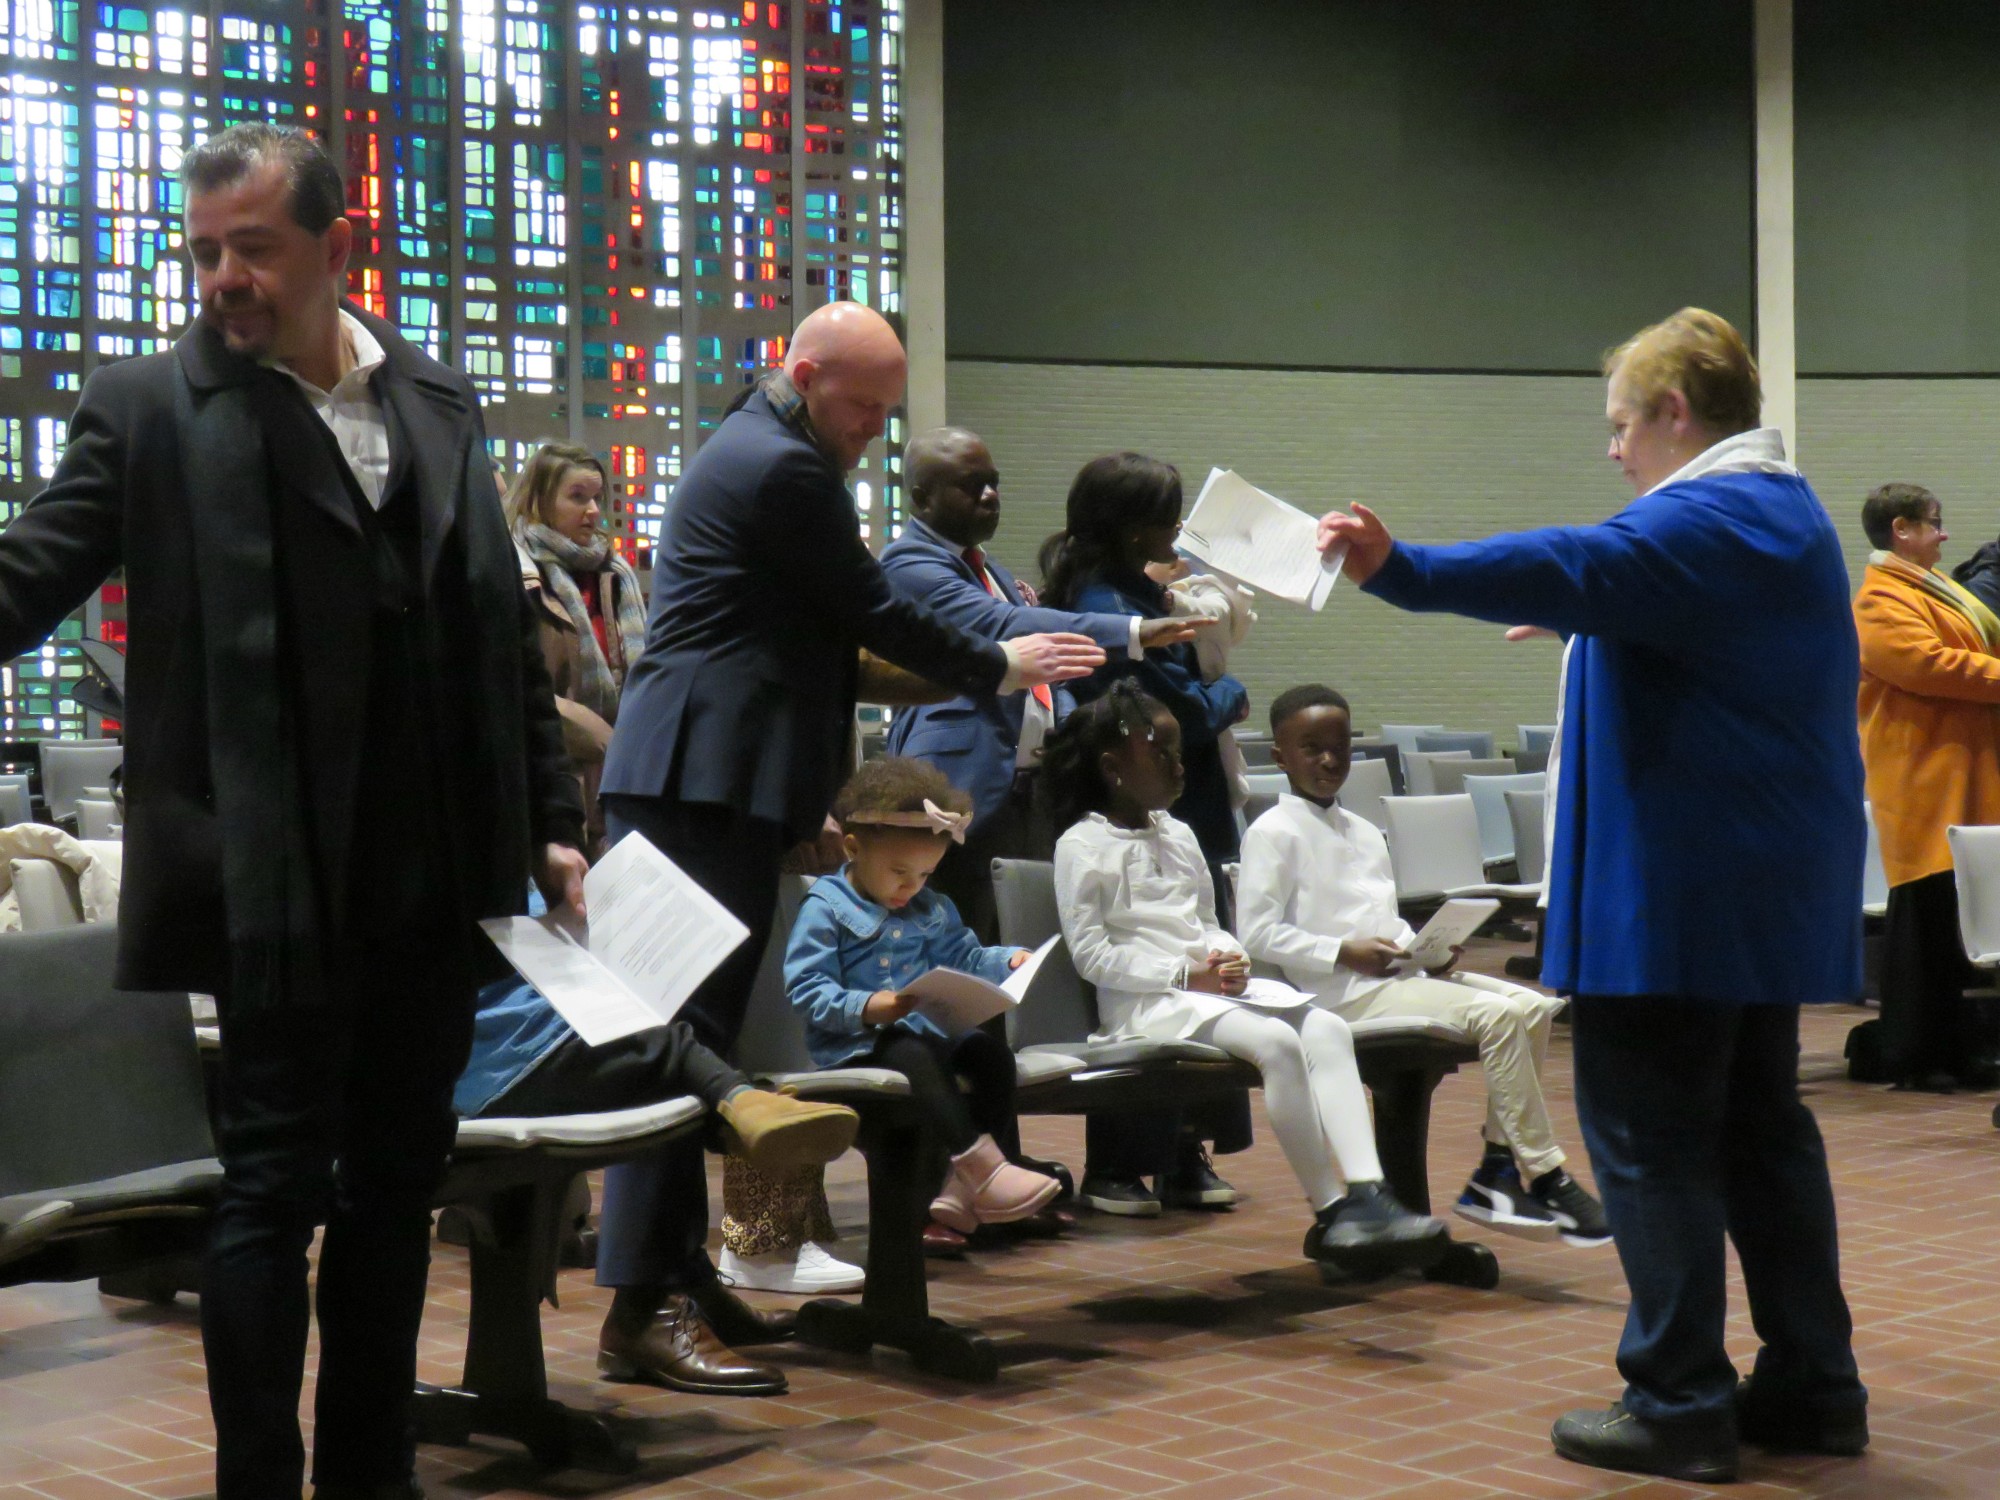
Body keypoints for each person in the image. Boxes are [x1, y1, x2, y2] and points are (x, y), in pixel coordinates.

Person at [0, 123, 591, 1498]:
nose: (224, 278)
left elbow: (496, 636)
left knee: (394, 1194)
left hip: (431, 869)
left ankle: (369, 1475)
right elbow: (26, 576)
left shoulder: (436, 404)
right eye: (205, 251)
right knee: (271, 1193)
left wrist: (548, 818)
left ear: (340, 244)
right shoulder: (153, 405)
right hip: (272, 874)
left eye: (253, 249)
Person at [1321, 307, 1867, 1483]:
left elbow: (1585, 557)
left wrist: (1395, 567)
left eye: (1622, 426)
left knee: (1649, 1142)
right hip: (1747, 894)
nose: (1613, 451)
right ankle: (1812, 1385)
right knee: (1760, 1132)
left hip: (1678, 899)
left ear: (1676, 413)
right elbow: (1622, 593)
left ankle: (1676, 1401)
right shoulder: (1778, 512)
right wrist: (1590, 621)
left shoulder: (1713, 512)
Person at [593, 300, 1103, 1387]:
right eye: (861, 405)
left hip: (711, 775)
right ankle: (641, 1304)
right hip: (695, 776)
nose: (874, 428)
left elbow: (815, 641)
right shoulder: (780, 467)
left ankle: (681, 1275)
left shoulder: (766, 444)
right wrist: (1003, 666)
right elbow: (872, 609)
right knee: (669, 1041)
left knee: (699, 1041)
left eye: (886, 409)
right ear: (805, 371)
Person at [1043, 682, 1449, 1276]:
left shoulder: (1179, 835)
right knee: (1279, 1044)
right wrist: (1186, 973)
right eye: (1162, 755)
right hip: (1146, 1003)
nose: (1180, 767)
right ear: (1112, 768)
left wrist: (1226, 956)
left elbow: (1209, 923)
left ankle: (1369, 1192)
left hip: (1209, 993)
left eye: (1180, 753)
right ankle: (1331, 1210)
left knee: (1327, 1028)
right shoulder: (1080, 845)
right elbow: (1093, 956)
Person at [1236, 683, 1608, 1246]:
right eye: (1311, 748)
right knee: (1497, 1017)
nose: (1329, 759)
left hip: (1393, 978)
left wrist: (1428, 948)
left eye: (1338, 746)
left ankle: (1498, 1167)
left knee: (1534, 1005)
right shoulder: (1273, 833)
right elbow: (1257, 932)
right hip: (1339, 996)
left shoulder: (1362, 830)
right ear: (1280, 756)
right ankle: (1544, 1171)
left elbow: (1383, 918)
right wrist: (1341, 952)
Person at [455, 923, 860, 1395]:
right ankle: (741, 1105)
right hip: (485, 1060)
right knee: (667, 1054)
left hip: (529, 1026)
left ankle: (736, 1117)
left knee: (668, 1041)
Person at [1038, 452, 1256, 1219]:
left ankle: (1182, 1149)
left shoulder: (1140, 588)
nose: (1175, 530)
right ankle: (1123, 1160)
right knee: (1148, 960)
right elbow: (1188, 712)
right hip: (1140, 791)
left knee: (1202, 950)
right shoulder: (1104, 600)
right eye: (1166, 516)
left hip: (1175, 799)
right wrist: (1229, 689)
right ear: (1130, 526)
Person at [880, 426, 1191, 941]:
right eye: (970, 485)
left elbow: (1044, 670)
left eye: (994, 483)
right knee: (956, 942)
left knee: (1024, 949)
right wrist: (1133, 631)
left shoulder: (987, 568)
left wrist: (1066, 727)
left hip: (1030, 786)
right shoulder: (910, 565)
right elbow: (1005, 629)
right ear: (921, 497)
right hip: (960, 783)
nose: (990, 497)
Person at [785, 757, 1063, 1231]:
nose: (911, 887)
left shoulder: (931, 907)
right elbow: (806, 989)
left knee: (991, 1057)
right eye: (899, 871)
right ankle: (982, 1171)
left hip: (923, 1035)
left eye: (926, 874)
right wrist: (871, 1007)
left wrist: (1008, 960)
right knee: (917, 1055)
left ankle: (964, 1191)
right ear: (853, 848)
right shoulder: (826, 907)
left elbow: (967, 958)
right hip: (857, 1045)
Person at [1852, 482, 2000, 1091]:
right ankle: (1912, 1055)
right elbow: (1926, 663)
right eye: (1932, 524)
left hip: (1958, 767)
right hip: (1921, 776)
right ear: (1901, 530)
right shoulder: (1879, 599)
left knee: (1956, 923)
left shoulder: (1927, 589)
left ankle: (1953, 1046)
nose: (1943, 535)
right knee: (1924, 922)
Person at [506, 441, 647, 852]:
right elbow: (521, 687)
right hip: (560, 781)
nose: (593, 511)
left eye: (596, 498)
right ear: (540, 500)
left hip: (624, 778)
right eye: (577, 497)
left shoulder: (615, 574)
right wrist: (598, 734)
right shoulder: (522, 575)